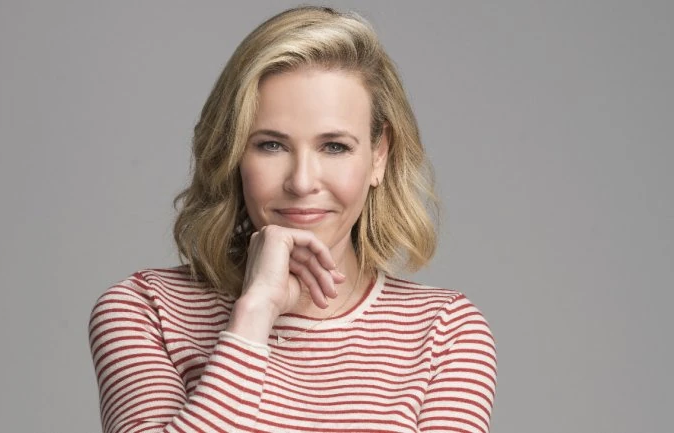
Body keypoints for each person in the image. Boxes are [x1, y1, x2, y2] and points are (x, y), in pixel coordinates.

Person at [88, 6, 496, 433]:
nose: (302, 182)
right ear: (233, 153)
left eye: (334, 147)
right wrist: (255, 311)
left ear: (378, 155)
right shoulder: (146, 310)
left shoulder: (445, 333)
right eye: (271, 145)